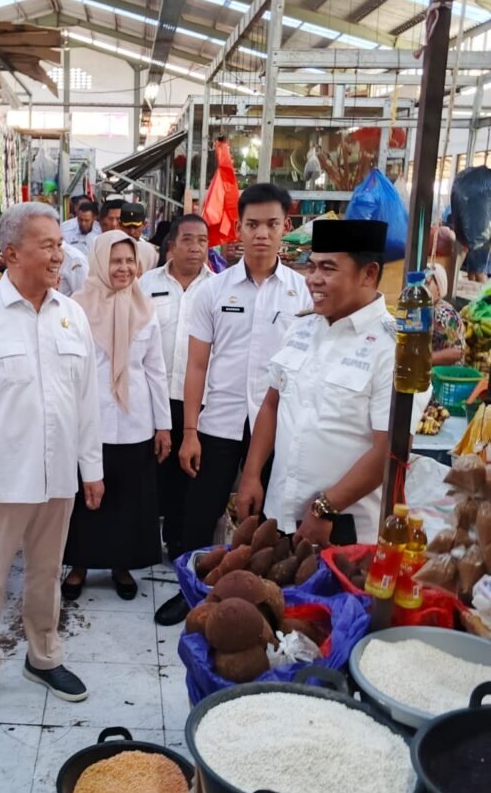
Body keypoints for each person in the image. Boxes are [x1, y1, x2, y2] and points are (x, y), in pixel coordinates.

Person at [0, 203, 104, 722]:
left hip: (58, 478)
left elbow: (87, 401)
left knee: (46, 573)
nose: (60, 254)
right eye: (48, 245)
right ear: (12, 253)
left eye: (60, 243)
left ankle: (43, 656)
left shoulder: (71, 315)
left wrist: (91, 468)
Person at [156, 183, 310, 626]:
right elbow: (197, 367)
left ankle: (259, 598)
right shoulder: (214, 290)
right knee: (197, 513)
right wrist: (189, 432)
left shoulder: (301, 294)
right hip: (218, 422)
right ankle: (191, 593)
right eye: (252, 224)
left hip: (279, 425)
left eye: (272, 224)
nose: (261, 234)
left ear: (286, 228)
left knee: (269, 516)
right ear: (238, 228)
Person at [236, 219, 430, 546]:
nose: (313, 280)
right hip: (280, 515)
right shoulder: (301, 328)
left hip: (341, 529)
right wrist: (252, 475)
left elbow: (391, 448)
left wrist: (326, 508)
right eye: (311, 267)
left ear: (368, 274)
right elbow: (272, 404)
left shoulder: (395, 349)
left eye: (327, 268)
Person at [61, 231, 172, 600]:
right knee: (84, 497)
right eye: (116, 260)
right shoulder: (75, 308)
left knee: (128, 498)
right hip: (88, 420)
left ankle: (121, 565)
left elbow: (156, 369)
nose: (124, 268)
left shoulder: (145, 307)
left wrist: (163, 425)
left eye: (130, 260)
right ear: (99, 262)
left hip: (136, 419)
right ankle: (78, 564)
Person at [140, 214, 212, 562]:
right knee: (152, 469)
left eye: (202, 240)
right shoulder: (145, 284)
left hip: (196, 397)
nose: (195, 247)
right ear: (172, 244)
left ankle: (178, 540)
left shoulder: (217, 288)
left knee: (188, 471)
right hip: (152, 394)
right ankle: (145, 540)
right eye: (188, 239)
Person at [426, 263, 465, 365]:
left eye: (426, 283)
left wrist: (423, 361)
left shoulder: (444, 315)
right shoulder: (423, 310)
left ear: (439, 289)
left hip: (448, 375)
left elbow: (458, 352)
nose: (421, 287)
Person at [121, 202, 159, 275]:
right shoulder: (111, 248)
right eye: (127, 227)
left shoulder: (151, 252)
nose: (132, 232)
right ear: (120, 225)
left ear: (144, 224)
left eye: (136, 227)